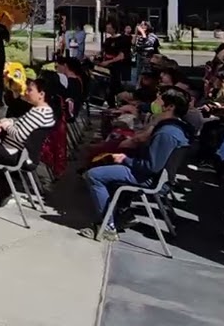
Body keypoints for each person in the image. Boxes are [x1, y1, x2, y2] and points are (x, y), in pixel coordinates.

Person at [79, 88, 194, 241]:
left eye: (159, 101)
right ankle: (122, 213)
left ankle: (108, 227)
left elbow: (150, 166)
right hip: (150, 174)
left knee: (94, 175)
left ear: (170, 106)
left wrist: (124, 159)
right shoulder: (172, 127)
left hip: (149, 178)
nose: (155, 103)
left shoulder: (167, 133)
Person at [0, 73, 59, 210]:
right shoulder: (43, 111)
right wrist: (8, 121)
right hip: (19, 152)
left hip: (15, 154)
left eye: (30, 90)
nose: (26, 93)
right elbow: (20, 122)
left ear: (41, 94)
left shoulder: (38, 114)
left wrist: (6, 126)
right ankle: (3, 188)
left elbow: (20, 136)